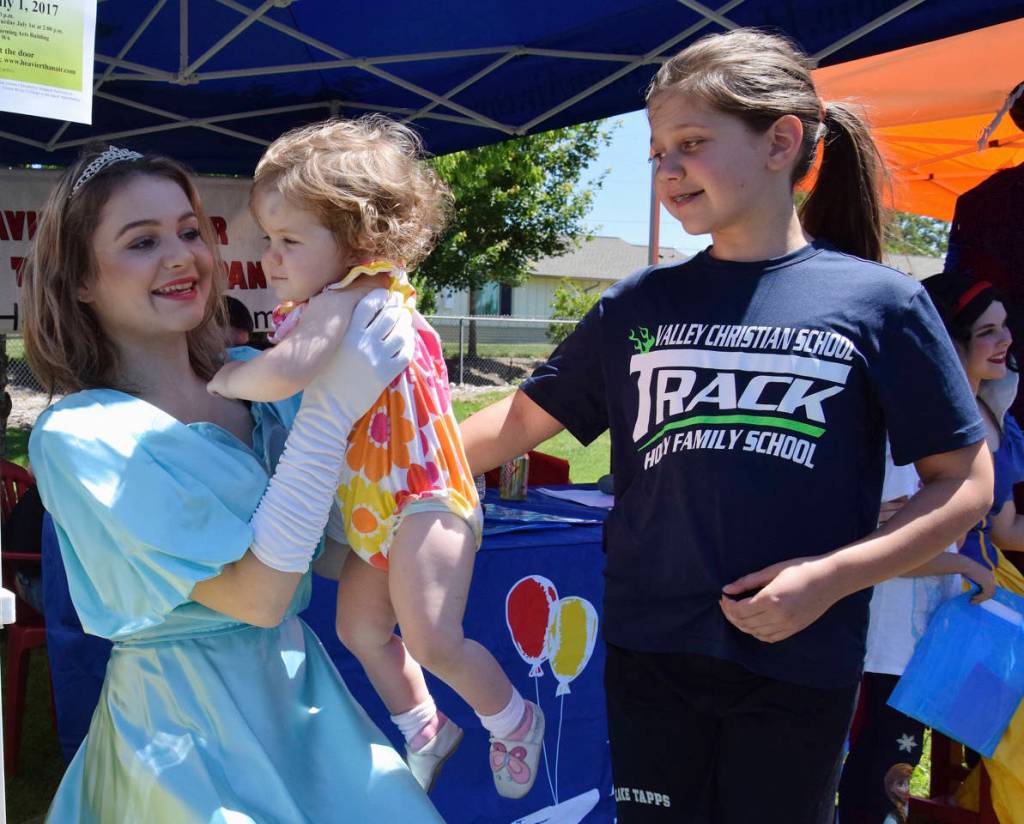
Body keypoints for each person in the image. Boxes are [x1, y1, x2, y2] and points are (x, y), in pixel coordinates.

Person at [459, 28, 992, 823]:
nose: (668, 170)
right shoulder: (636, 305)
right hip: (652, 650)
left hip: (800, 659)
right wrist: (357, 459)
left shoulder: (881, 304)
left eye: (693, 144)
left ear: (780, 142)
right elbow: (509, 426)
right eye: (657, 152)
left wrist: (834, 577)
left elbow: (964, 484)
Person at [21, 143, 444, 822]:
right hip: (181, 735)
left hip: (301, 700)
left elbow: (331, 552)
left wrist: (436, 484)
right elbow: (257, 596)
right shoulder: (83, 435)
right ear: (79, 280)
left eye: (190, 231)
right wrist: (330, 412)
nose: (182, 255)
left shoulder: (261, 384)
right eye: (142, 241)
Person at [206, 116, 544, 798]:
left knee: (431, 637)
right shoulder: (335, 299)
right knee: (358, 627)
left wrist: (219, 379)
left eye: (289, 240)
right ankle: (424, 726)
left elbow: (283, 375)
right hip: (376, 506)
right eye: (269, 240)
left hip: (425, 493)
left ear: (357, 239)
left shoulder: (357, 291)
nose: (270, 258)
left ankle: (512, 719)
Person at [837, 442, 995, 824]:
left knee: (892, 762)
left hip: (906, 644)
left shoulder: (927, 448)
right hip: (883, 642)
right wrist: (967, 566)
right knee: (884, 764)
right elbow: (891, 551)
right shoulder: (896, 456)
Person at [921, 269, 1024, 821]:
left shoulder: (991, 408)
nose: (1005, 340)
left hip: (990, 587)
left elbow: (1004, 527)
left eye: (1005, 327)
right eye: (988, 331)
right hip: (949, 598)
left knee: (1002, 733)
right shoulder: (925, 419)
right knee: (1012, 733)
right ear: (949, 339)